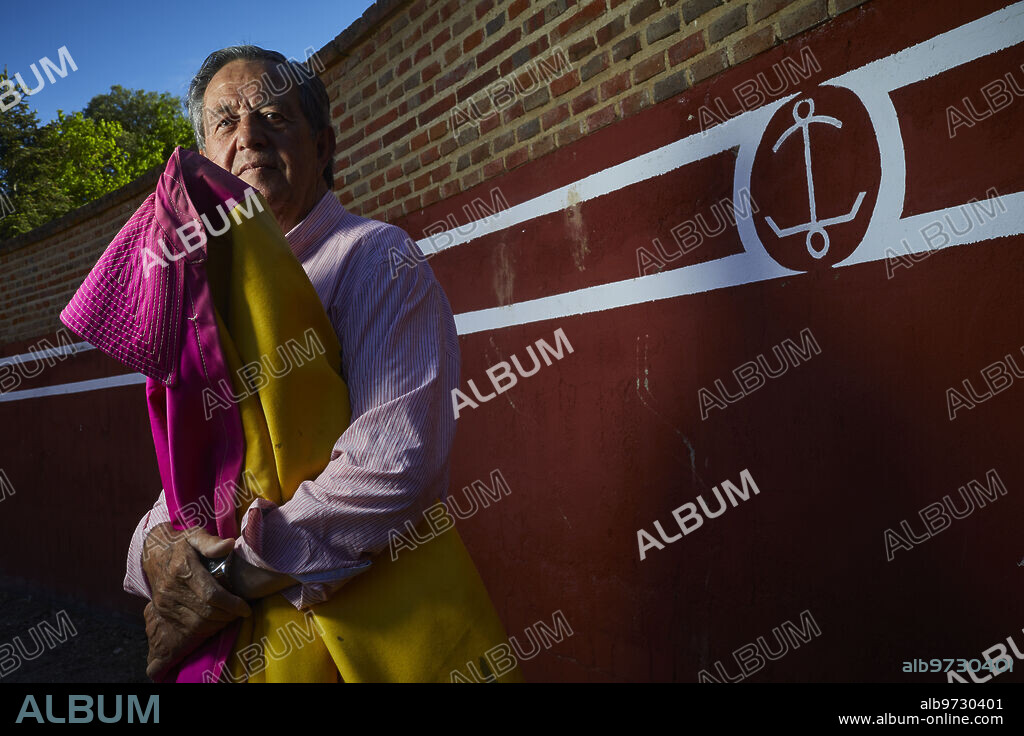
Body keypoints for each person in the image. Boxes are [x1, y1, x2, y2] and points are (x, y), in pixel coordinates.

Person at [125, 46, 460, 678]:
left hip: (362, 643)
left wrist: (217, 582)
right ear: (204, 159)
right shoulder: (201, 295)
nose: (247, 138)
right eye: (225, 123)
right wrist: (155, 553)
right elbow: (195, 471)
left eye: (273, 116)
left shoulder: (375, 258)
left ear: (324, 145)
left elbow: (393, 468)